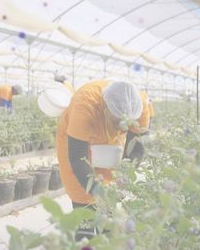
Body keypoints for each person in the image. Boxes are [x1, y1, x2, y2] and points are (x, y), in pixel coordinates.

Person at [55, 80, 149, 240]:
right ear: (104, 107)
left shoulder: (138, 107)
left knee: (110, 205)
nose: (121, 130)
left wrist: (124, 179)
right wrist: (99, 194)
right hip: (77, 142)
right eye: (116, 123)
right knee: (84, 202)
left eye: (125, 127)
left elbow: (137, 149)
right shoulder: (85, 105)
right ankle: (84, 238)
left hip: (108, 148)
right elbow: (77, 158)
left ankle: (107, 237)